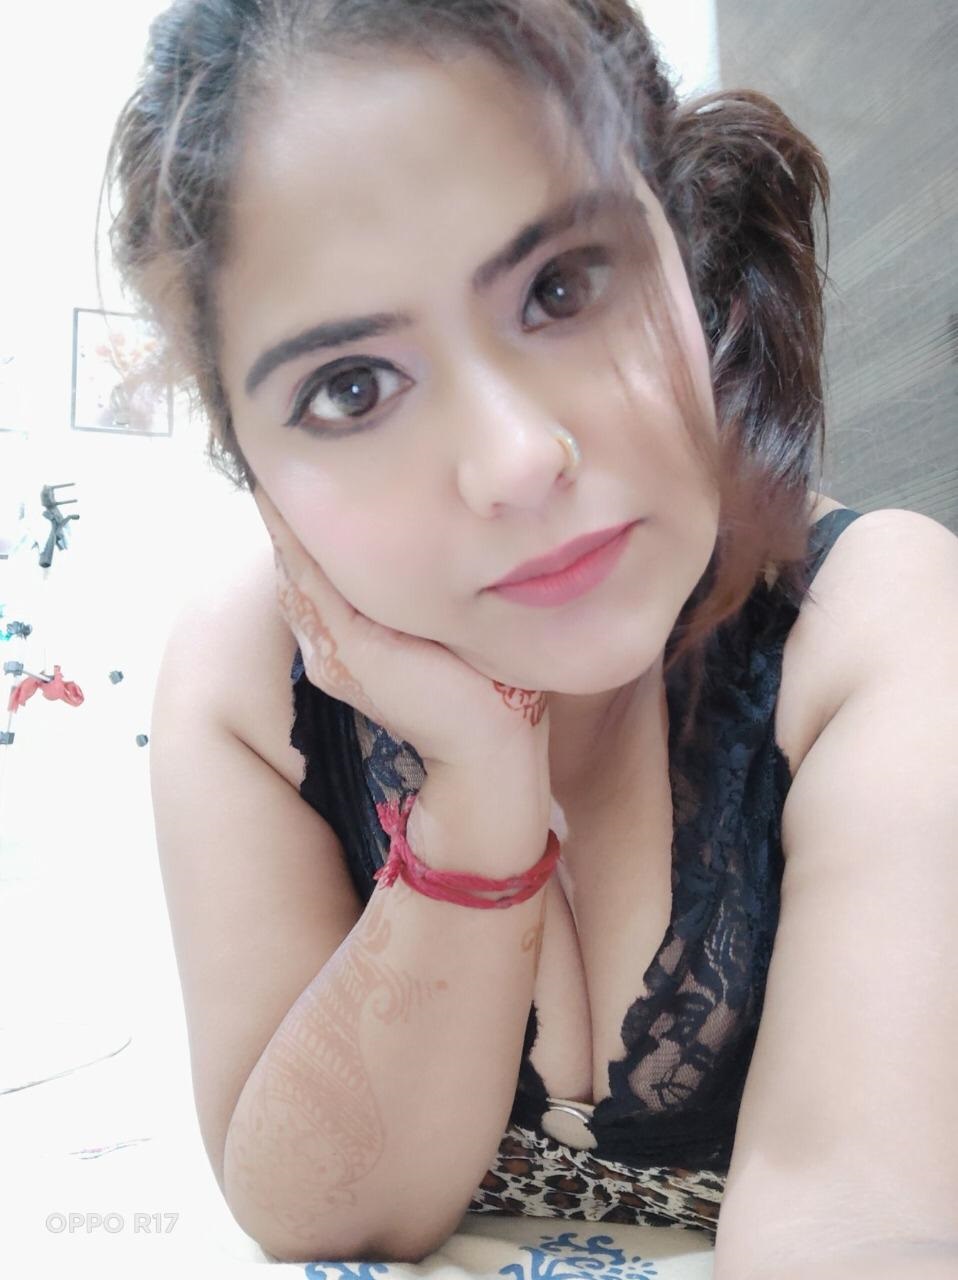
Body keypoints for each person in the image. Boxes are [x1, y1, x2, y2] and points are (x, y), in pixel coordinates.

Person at [106, 0, 958, 1271]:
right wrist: (476, 801)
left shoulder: (875, 618)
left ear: (681, 247)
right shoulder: (244, 682)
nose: (513, 460)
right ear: (255, 469)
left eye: (560, 287)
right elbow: (315, 1213)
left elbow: (862, 1228)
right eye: (351, 387)